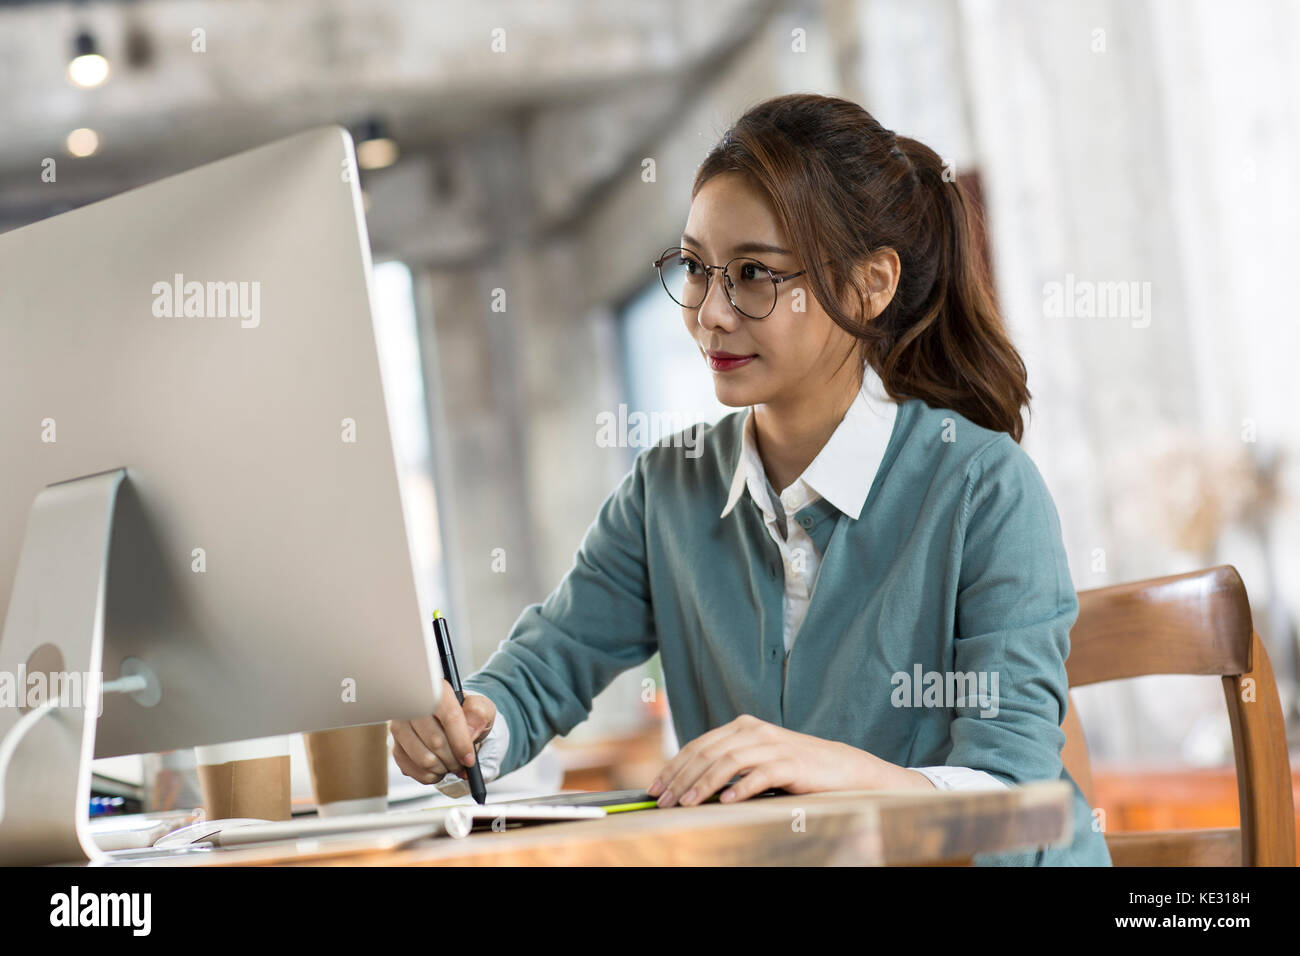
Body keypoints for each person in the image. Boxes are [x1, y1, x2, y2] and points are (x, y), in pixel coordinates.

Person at [389, 92, 1111, 866]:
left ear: (872, 284)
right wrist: (473, 723)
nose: (709, 313)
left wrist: (836, 772)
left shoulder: (984, 489)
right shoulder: (669, 487)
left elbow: (1015, 808)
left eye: (754, 275)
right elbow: (552, 659)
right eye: (697, 268)